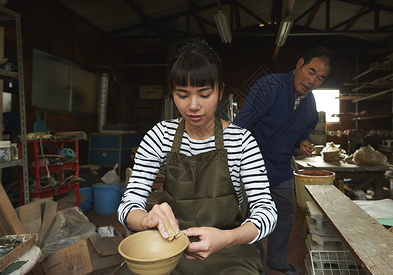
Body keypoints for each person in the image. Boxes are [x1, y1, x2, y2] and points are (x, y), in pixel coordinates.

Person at [118, 39, 277, 275]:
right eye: (182, 94)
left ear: (220, 91)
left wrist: (227, 238)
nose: (193, 106)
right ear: (172, 93)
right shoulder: (159, 136)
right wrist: (147, 221)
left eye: (204, 94)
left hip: (229, 251)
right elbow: (128, 205)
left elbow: (267, 212)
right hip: (170, 247)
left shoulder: (242, 142)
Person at [233, 46, 334, 275]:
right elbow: (241, 125)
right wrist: (238, 162)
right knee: (250, 217)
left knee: (286, 212)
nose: (312, 81)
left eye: (320, 78)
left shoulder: (310, 105)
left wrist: (303, 143)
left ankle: (276, 260)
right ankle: (254, 263)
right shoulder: (269, 87)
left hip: (280, 167)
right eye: (311, 71)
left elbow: (303, 132)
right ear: (299, 64)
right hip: (252, 166)